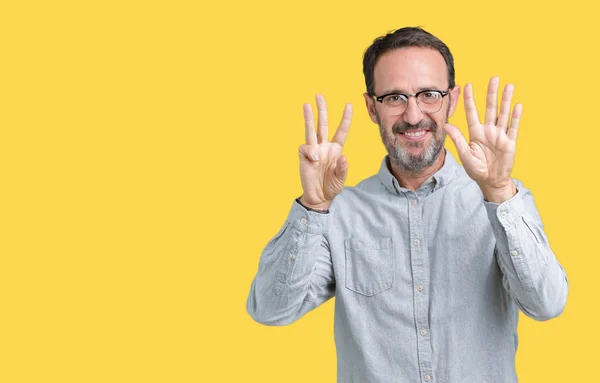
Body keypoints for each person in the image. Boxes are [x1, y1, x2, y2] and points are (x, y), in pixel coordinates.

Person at [246, 27, 568, 383]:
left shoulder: (502, 202)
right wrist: (313, 205)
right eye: (395, 98)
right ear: (372, 107)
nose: (413, 115)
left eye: (429, 94)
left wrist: (499, 190)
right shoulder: (338, 213)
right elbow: (271, 310)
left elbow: (547, 304)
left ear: (452, 99)